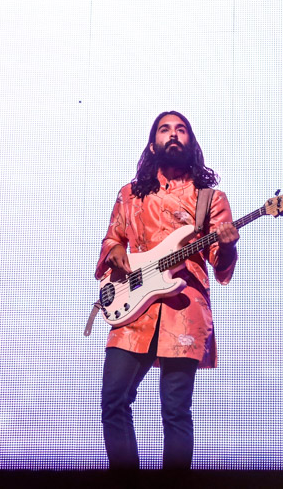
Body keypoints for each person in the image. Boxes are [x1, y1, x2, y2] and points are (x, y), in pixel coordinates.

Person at [96, 111, 240, 470]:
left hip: (183, 310)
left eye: (181, 130)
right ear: (152, 143)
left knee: (175, 411)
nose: (173, 135)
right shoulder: (128, 195)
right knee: (114, 400)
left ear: (191, 142)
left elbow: (221, 266)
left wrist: (229, 246)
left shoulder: (210, 198)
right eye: (165, 129)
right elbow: (114, 238)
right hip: (132, 308)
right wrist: (114, 250)